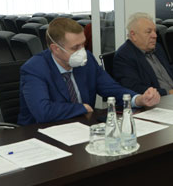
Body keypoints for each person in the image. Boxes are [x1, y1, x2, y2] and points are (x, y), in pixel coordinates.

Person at [18, 17, 160, 125]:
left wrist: (138, 99)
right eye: (75, 47)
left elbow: (111, 88)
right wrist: (81, 108)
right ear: (55, 49)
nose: (82, 52)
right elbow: (43, 112)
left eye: (83, 45)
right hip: (41, 133)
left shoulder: (87, 61)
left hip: (82, 127)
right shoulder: (35, 69)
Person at [113, 13, 173, 96]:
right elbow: (134, 88)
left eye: (155, 31)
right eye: (149, 32)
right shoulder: (124, 56)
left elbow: (172, 69)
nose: (155, 35)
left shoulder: (157, 47)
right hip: (158, 100)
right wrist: (167, 93)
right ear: (133, 35)